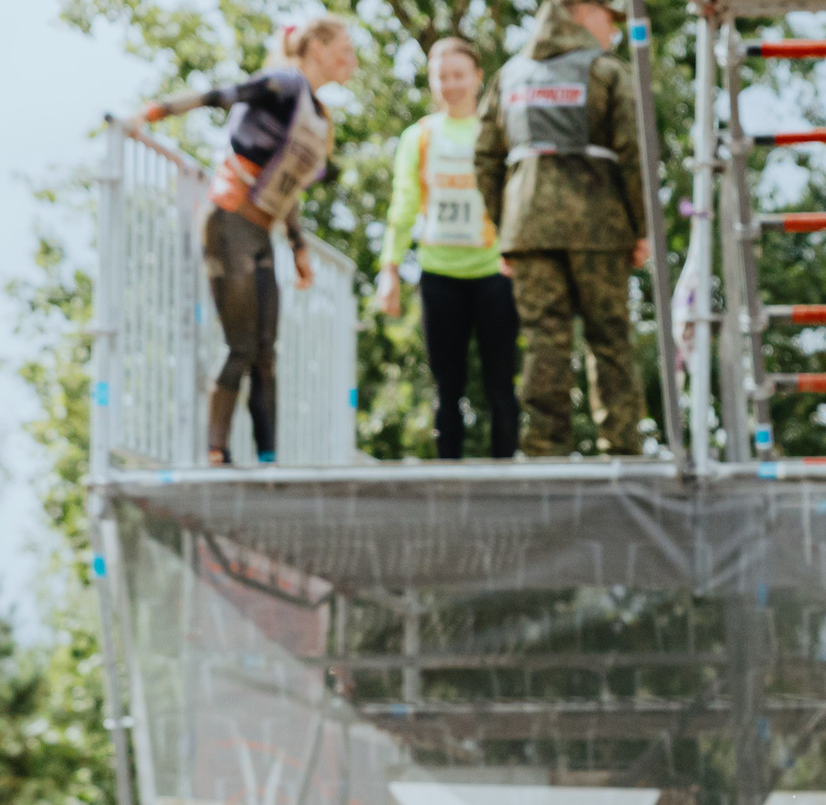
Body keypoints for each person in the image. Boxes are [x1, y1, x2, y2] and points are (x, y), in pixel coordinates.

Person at [133, 16, 359, 465]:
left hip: (261, 229)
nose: (350, 58)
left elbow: (286, 187)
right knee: (240, 346)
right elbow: (222, 95)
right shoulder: (283, 83)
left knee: (265, 352)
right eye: (344, 48)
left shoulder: (315, 114)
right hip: (230, 219)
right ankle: (216, 451)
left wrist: (297, 248)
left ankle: (268, 459)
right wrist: (156, 111)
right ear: (316, 47)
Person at [473, 0, 650, 458]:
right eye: (608, 17)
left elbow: (485, 157)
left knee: (544, 342)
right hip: (601, 226)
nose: (611, 29)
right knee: (609, 339)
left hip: (527, 227)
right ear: (581, 12)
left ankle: (544, 452)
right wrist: (642, 226)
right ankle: (623, 450)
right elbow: (635, 152)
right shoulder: (607, 70)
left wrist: (504, 221)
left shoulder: (509, 75)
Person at [378, 38, 521, 460]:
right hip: (440, 275)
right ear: (431, 81)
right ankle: (449, 484)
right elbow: (403, 204)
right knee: (446, 388)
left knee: (501, 386)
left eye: (459, 75)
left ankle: (507, 482)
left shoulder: (498, 132)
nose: (451, 84)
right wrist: (389, 268)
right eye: (442, 76)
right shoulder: (418, 137)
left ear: (477, 78)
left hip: (494, 274)